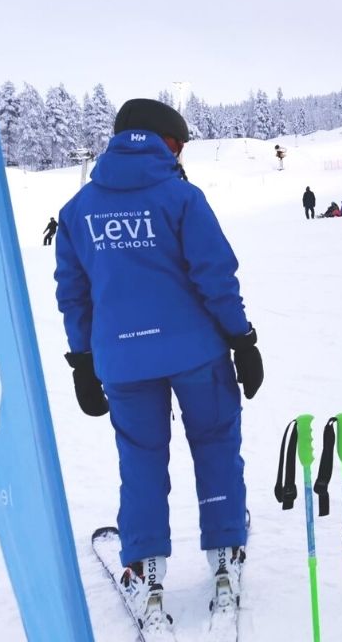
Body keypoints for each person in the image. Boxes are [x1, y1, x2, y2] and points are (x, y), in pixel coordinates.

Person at [53, 98, 261, 634]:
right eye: (181, 144)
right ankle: (223, 558)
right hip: (197, 354)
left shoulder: (78, 210)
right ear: (166, 142)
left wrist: (82, 361)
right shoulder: (182, 198)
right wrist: (242, 339)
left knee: (141, 461)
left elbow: (74, 295)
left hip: (123, 361)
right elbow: (215, 274)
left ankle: (145, 570)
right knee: (215, 446)